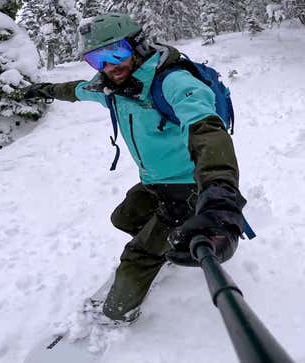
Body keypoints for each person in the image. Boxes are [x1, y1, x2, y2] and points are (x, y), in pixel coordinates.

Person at [22, 14, 247, 325]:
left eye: (116, 52)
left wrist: (220, 192)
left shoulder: (171, 80)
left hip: (190, 187)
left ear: (137, 45)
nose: (109, 65)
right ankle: (168, 243)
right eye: (96, 59)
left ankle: (118, 312)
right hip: (155, 182)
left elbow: (206, 129)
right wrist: (44, 89)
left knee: (138, 255)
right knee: (124, 216)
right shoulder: (113, 87)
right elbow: (76, 90)